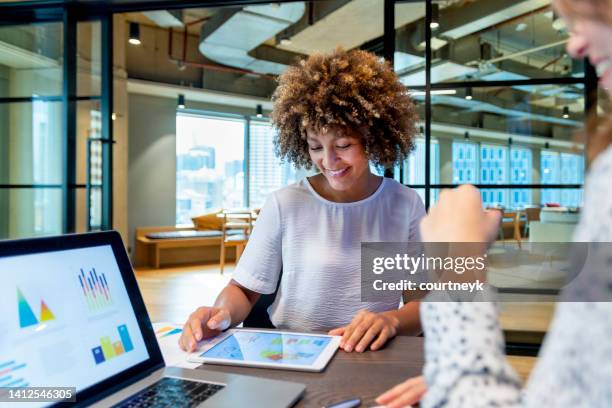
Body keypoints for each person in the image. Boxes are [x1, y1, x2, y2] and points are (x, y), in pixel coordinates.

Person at [376, 0, 612, 407]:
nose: (574, 45)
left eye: (586, 18)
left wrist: (457, 267)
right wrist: (465, 373)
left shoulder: (404, 200)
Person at [179, 48, 426, 354]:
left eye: (343, 144)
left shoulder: (405, 204)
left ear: (374, 138)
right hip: (292, 353)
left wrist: (392, 321)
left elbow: (422, 304)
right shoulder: (284, 204)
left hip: (371, 355)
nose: (329, 160)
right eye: (315, 146)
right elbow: (243, 291)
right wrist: (219, 315)